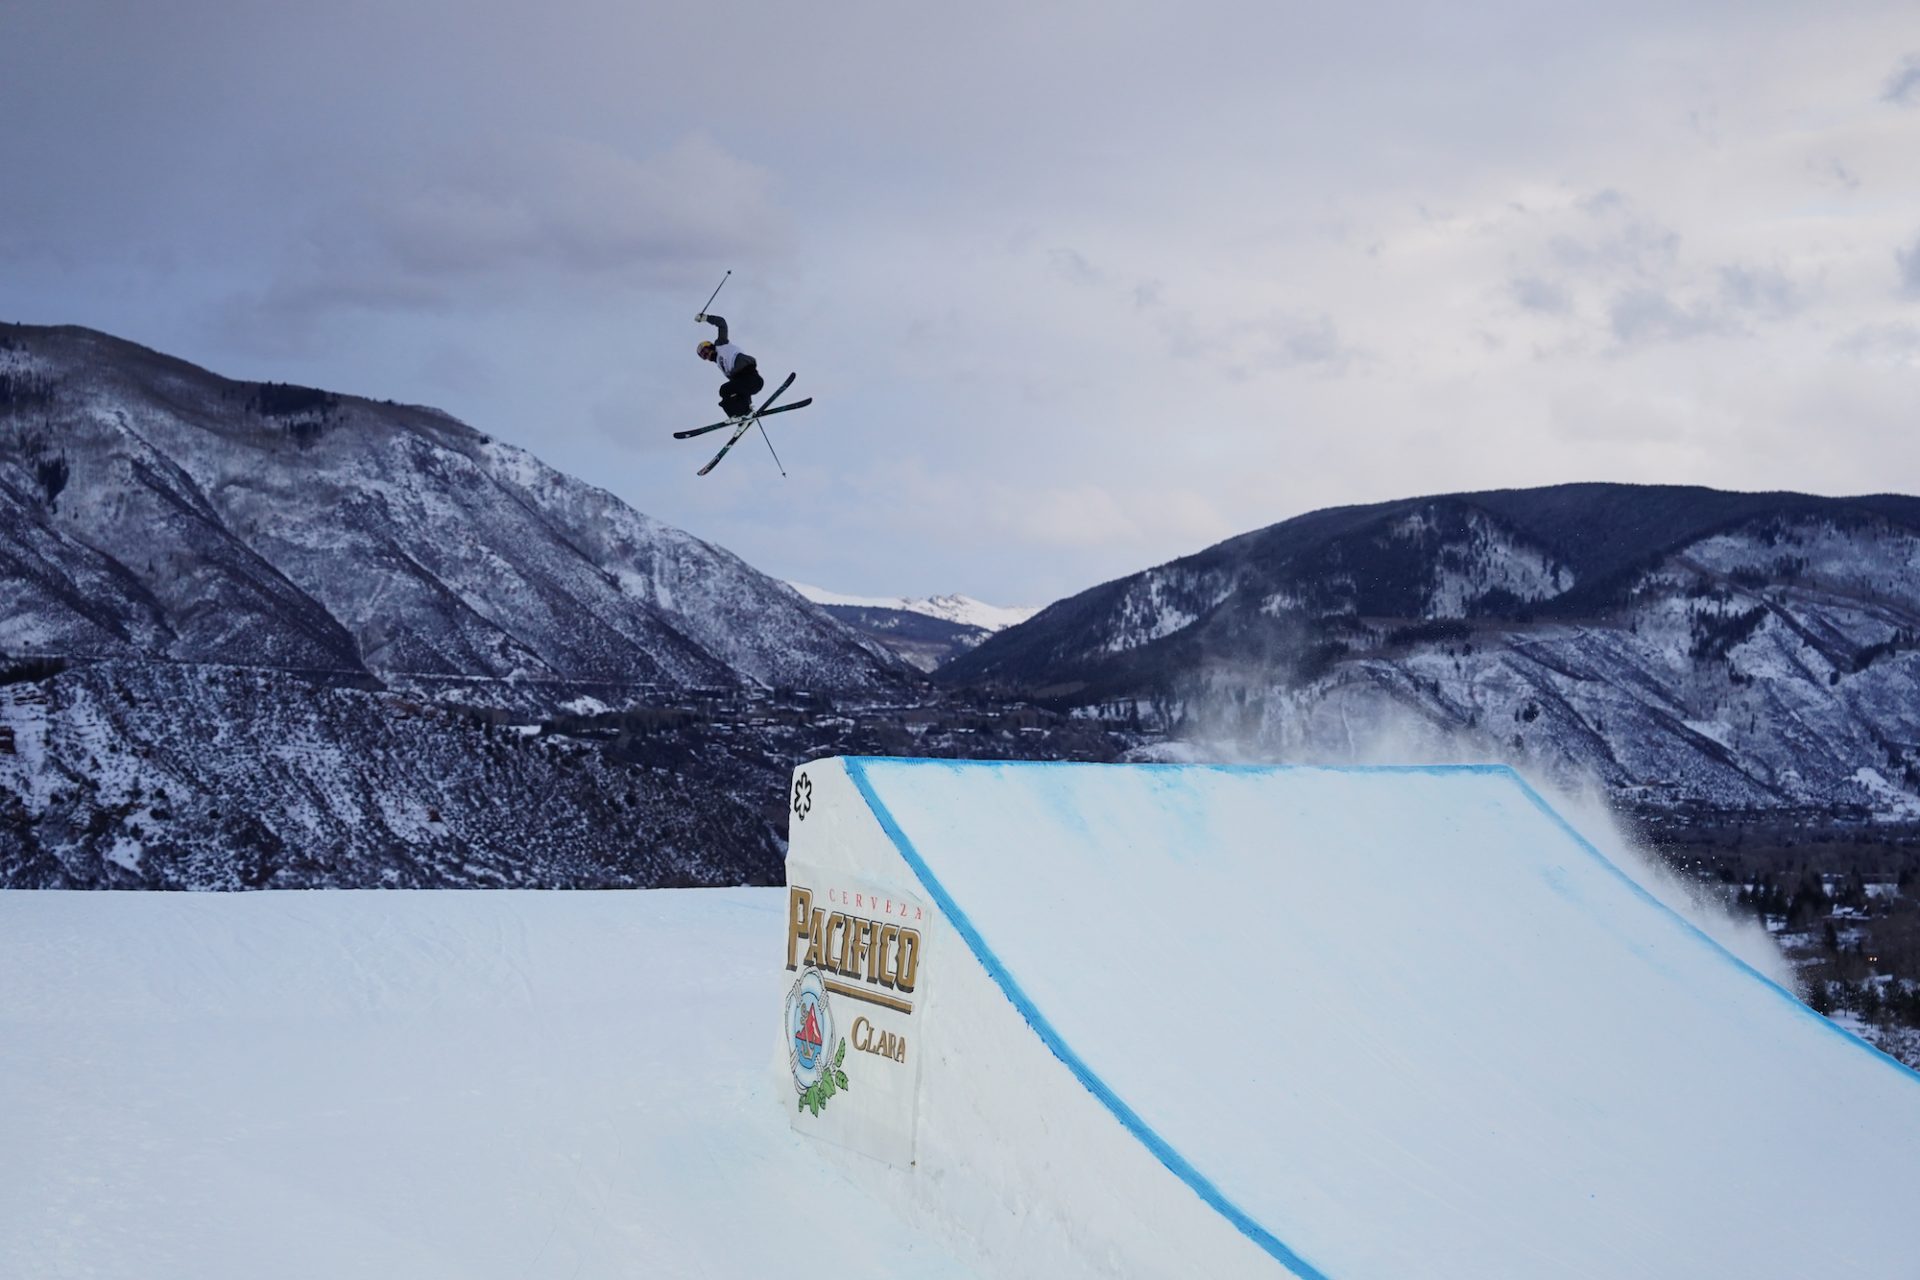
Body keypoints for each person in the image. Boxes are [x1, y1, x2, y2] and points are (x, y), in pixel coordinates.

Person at [695, 313, 764, 419]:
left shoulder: (721, 344)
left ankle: (742, 413)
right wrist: (748, 405)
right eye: (704, 356)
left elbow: (722, 323)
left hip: (751, 376)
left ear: (711, 346)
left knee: (725, 390)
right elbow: (740, 388)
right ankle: (741, 415)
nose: (707, 355)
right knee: (727, 394)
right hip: (749, 384)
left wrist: (706, 318)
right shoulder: (722, 366)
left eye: (706, 351)